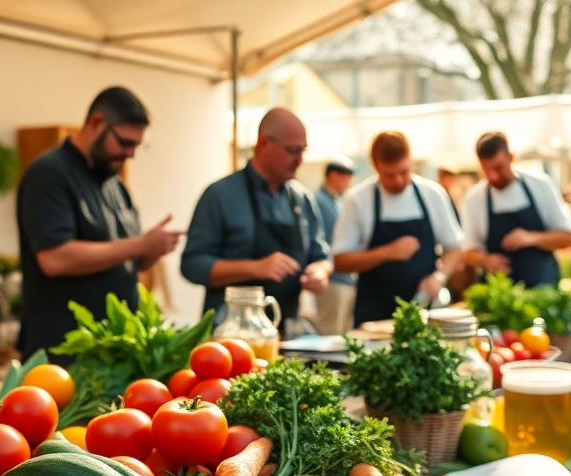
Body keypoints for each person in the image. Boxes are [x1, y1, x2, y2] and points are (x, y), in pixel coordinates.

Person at [16, 87, 179, 359]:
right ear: (96, 124)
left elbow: (126, 262)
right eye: (125, 143)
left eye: (138, 146)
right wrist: (139, 245)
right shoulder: (49, 174)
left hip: (114, 352)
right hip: (63, 356)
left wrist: (150, 251)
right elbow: (55, 258)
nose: (131, 154)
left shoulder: (116, 185)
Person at [180, 108, 330, 331]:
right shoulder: (220, 195)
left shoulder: (302, 198)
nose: (300, 160)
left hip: (287, 331)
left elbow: (321, 256)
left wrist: (320, 272)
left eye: (303, 150)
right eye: (292, 150)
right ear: (264, 144)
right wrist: (255, 268)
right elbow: (192, 266)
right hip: (230, 335)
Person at [331, 131, 462, 326]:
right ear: (375, 166)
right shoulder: (358, 199)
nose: (399, 181)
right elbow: (340, 261)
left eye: (404, 172)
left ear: (411, 161)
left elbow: (455, 248)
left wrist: (439, 277)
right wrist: (387, 252)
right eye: (389, 175)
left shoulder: (432, 194)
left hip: (424, 312)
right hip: (374, 314)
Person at [458, 132, 571, 288]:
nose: (493, 176)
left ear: (511, 158)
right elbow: (467, 252)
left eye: (498, 168)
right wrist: (486, 260)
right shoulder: (474, 198)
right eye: (486, 170)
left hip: (543, 291)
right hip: (498, 294)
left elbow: (568, 238)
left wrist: (531, 237)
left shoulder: (541, 185)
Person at [313, 157, 355, 335]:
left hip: (344, 278)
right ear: (333, 175)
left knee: (342, 335)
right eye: (346, 177)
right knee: (330, 333)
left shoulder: (335, 201)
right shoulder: (320, 202)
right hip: (332, 279)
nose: (349, 182)